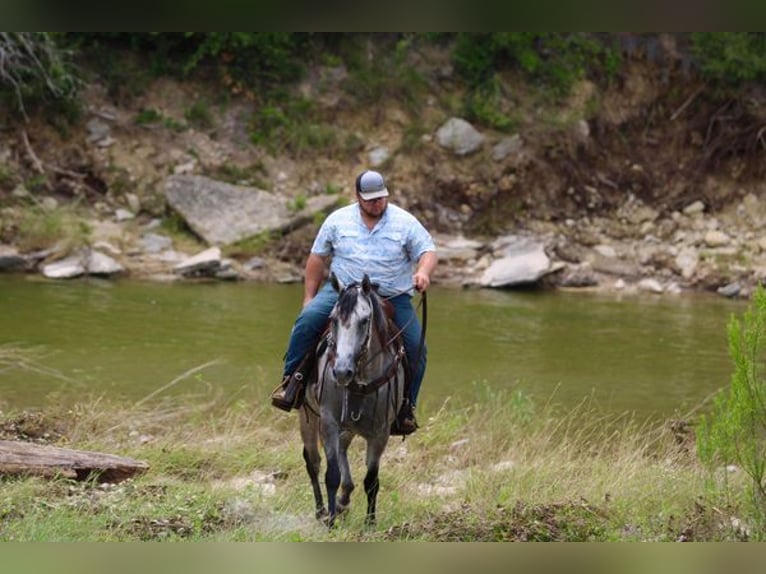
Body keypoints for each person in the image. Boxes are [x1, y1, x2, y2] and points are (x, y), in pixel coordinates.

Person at [270, 169, 438, 435]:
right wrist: (308, 298)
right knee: (307, 321)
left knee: (417, 347)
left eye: (381, 198)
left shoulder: (406, 222)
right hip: (342, 292)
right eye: (370, 199)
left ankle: (406, 406)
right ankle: (292, 382)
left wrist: (423, 272)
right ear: (358, 197)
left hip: (391, 296)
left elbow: (428, 251)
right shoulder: (337, 220)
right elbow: (317, 259)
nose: (377, 203)